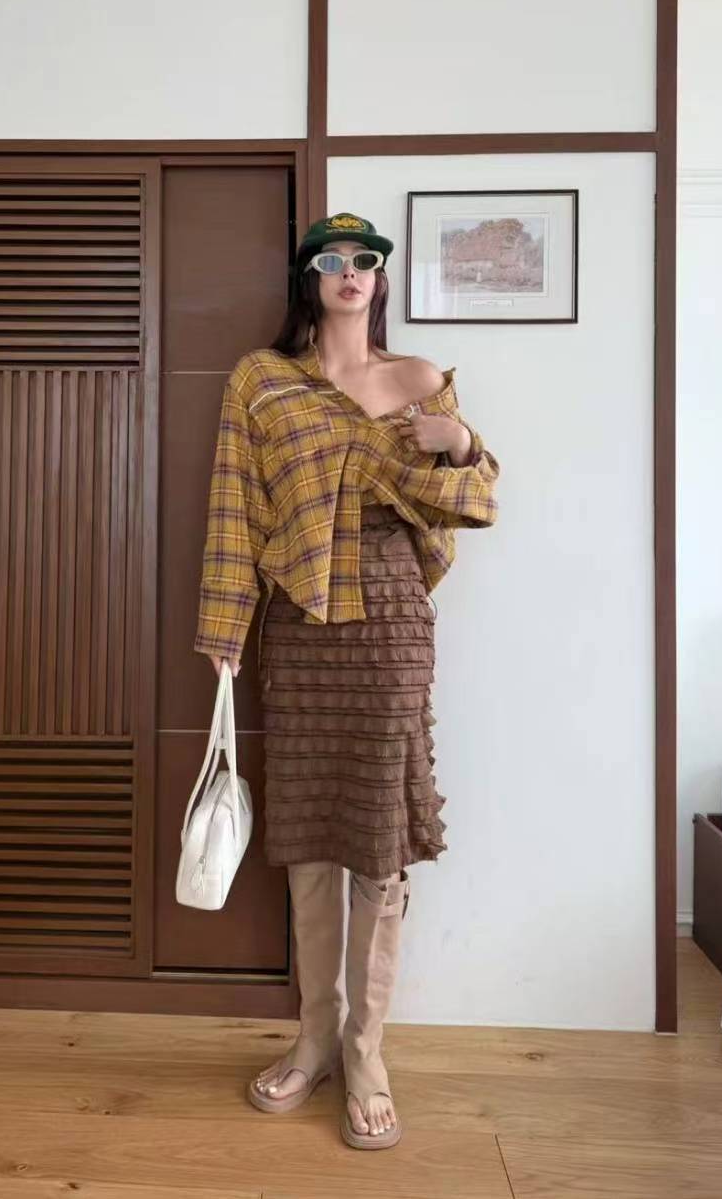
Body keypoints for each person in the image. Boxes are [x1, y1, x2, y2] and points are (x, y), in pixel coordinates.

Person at [193, 211, 501, 1150]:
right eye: (332, 259)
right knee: (307, 834)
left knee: (376, 839)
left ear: (382, 278)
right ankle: (316, 1035)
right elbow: (237, 506)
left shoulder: (422, 381)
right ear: (310, 278)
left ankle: (367, 1049)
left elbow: (477, 498)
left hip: (393, 623)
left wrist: (456, 440)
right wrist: (225, 628)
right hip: (301, 623)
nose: (351, 271)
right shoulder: (262, 382)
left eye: (367, 259)